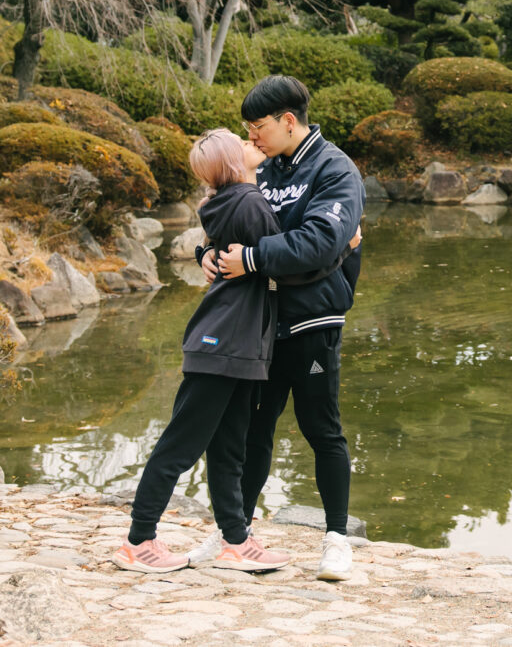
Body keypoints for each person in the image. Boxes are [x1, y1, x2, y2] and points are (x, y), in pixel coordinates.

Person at [208, 74, 364, 582]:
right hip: (261, 321)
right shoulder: (265, 169)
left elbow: (320, 243)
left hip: (314, 319)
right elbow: (237, 224)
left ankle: (337, 541)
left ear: (288, 121)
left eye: (257, 127)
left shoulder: (335, 168)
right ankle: (238, 531)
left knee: (323, 429)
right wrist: (209, 255)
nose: (251, 137)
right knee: (255, 429)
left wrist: (253, 258)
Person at [114, 131, 288, 574]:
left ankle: (236, 540)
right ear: (234, 163)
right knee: (179, 446)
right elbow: (282, 255)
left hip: (237, 343)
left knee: (230, 448)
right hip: (223, 343)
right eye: (244, 143)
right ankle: (139, 540)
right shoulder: (247, 201)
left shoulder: (233, 201)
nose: (255, 143)